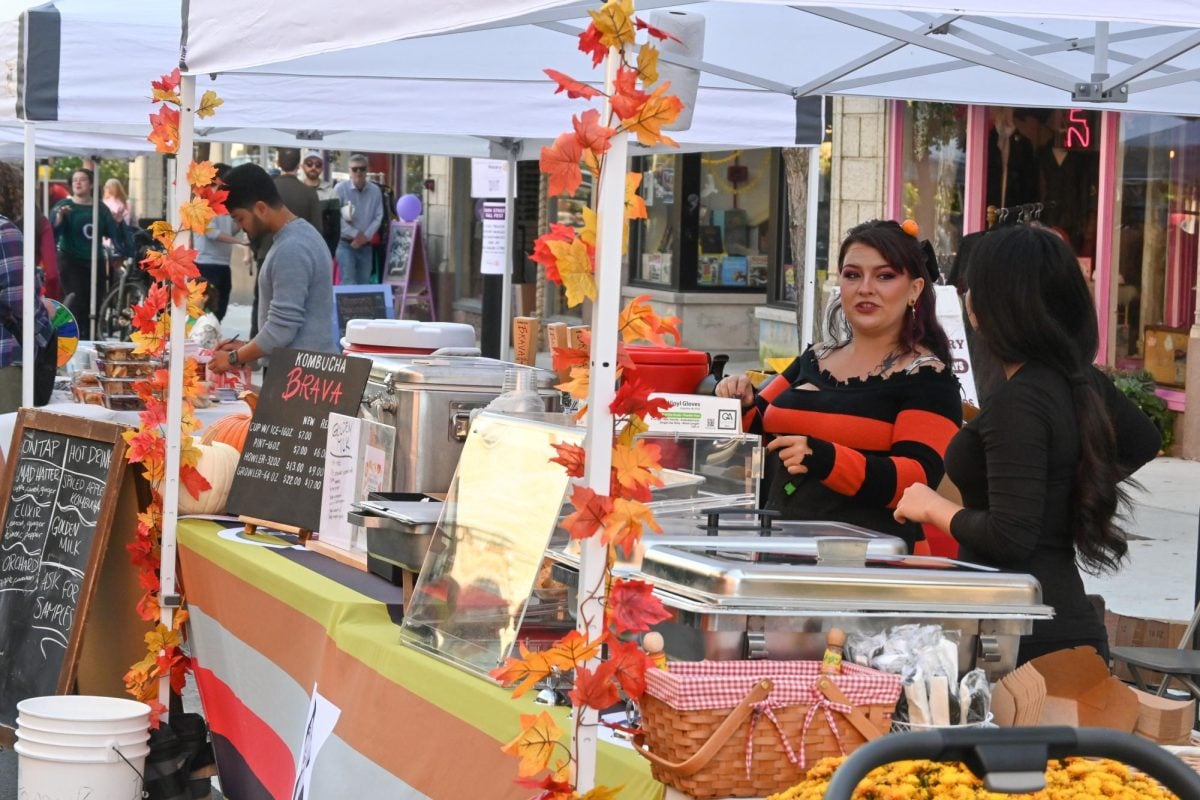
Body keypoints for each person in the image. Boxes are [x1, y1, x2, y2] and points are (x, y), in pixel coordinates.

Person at [894, 225, 1162, 664]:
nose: (967, 299)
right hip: (1038, 619)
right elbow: (1142, 440)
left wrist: (930, 506)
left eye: (973, 288)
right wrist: (1063, 481)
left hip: (1026, 636)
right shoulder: (1074, 378)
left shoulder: (1023, 399)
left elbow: (1010, 536)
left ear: (999, 305)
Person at [716, 220, 963, 552]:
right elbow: (760, 426)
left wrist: (826, 458)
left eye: (885, 276)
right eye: (852, 275)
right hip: (778, 550)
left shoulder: (929, 378)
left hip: (872, 566)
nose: (865, 288)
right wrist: (742, 401)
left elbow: (916, 480)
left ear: (915, 289)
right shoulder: (815, 357)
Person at [208, 164, 335, 374]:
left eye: (240, 218)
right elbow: (286, 331)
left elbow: (282, 329)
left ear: (260, 208)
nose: (240, 227)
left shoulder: (291, 248)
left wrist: (232, 358)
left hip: (300, 380)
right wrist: (249, 349)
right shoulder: (300, 236)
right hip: (303, 372)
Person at [247, 149, 322, 339]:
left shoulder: (268, 191)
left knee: (263, 305)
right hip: (302, 259)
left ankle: (256, 342)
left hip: (267, 253)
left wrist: (258, 251)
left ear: (278, 163)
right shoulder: (309, 194)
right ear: (299, 165)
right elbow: (318, 231)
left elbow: (253, 229)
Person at [0, 163, 53, 413]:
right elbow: (21, 303)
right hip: (2, 360)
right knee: (7, 445)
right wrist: (47, 319)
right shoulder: (4, 230)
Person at [51, 168, 118, 337]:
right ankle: (71, 339)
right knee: (76, 301)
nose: (78, 183)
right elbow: (50, 232)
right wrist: (59, 219)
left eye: (82, 179)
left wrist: (117, 223)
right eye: (75, 180)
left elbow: (114, 233)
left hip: (95, 260)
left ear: (91, 184)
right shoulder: (64, 207)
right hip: (70, 260)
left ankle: (90, 338)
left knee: (94, 303)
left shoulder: (100, 209)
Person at [194, 163, 247, 321]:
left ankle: (212, 337)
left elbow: (230, 228)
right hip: (206, 264)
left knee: (221, 309)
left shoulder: (223, 204)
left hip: (224, 264)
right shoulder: (203, 203)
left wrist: (241, 220)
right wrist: (238, 241)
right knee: (207, 310)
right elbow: (211, 232)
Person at [334, 153, 383, 285]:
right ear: (349, 171)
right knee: (348, 281)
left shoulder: (375, 190)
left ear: (367, 170)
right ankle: (346, 307)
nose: (358, 172)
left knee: (364, 283)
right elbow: (336, 217)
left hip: (366, 245)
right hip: (345, 244)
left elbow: (379, 216)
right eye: (355, 169)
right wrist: (356, 234)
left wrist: (365, 237)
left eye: (362, 168)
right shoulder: (340, 189)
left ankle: (361, 307)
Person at [301, 150, 342, 258]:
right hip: (300, 247)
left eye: (318, 164)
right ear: (302, 166)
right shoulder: (296, 189)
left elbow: (336, 227)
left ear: (322, 168)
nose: (313, 167)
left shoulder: (331, 193)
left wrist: (331, 253)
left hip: (323, 248)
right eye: (309, 164)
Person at [189, 282, 222, 351]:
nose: (188, 298)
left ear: (204, 297)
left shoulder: (209, 324)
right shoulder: (188, 316)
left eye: (192, 294)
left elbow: (193, 348)